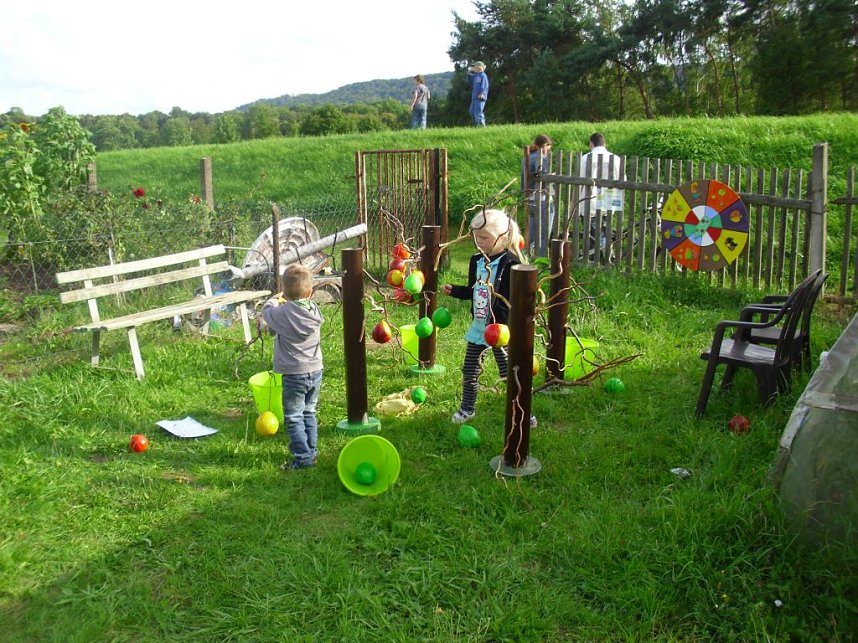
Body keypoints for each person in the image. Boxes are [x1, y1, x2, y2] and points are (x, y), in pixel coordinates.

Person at [442, 209, 535, 427]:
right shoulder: (476, 261)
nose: (479, 242)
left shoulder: (512, 264)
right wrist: (456, 290)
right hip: (479, 328)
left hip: (502, 330)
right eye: (476, 237)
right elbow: (475, 290)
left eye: (484, 237)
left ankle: (522, 412)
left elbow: (517, 301)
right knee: (470, 371)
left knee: (509, 373)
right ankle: (467, 409)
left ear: (502, 237)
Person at [261, 264, 324, 470]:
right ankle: (311, 451)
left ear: (284, 292)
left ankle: (302, 458)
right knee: (309, 411)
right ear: (310, 292)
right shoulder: (314, 310)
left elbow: (266, 312)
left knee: (294, 416)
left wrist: (274, 299)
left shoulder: (283, 312)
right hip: (315, 370)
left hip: (294, 373)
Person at [578, 132, 625, 260]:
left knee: (592, 233)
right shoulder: (616, 159)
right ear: (605, 144)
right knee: (606, 229)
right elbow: (623, 180)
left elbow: (580, 180)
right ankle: (605, 256)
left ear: (591, 144)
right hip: (610, 200)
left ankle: (597, 258)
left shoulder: (585, 158)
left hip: (590, 200)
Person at [522, 134, 555, 256]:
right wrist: (553, 177)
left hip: (529, 198)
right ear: (545, 145)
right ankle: (541, 260)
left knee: (531, 232)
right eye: (548, 146)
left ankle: (528, 256)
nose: (549, 150)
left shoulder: (527, 157)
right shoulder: (542, 158)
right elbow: (542, 177)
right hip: (542, 198)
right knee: (543, 234)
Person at [467, 61, 489, 127]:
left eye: (475, 67)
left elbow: (485, 85)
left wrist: (482, 93)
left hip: (480, 97)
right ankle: (477, 124)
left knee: (478, 112)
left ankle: (481, 126)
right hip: (474, 97)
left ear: (479, 67)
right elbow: (469, 80)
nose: (473, 68)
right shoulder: (476, 76)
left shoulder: (483, 75)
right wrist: (469, 72)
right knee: (472, 112)